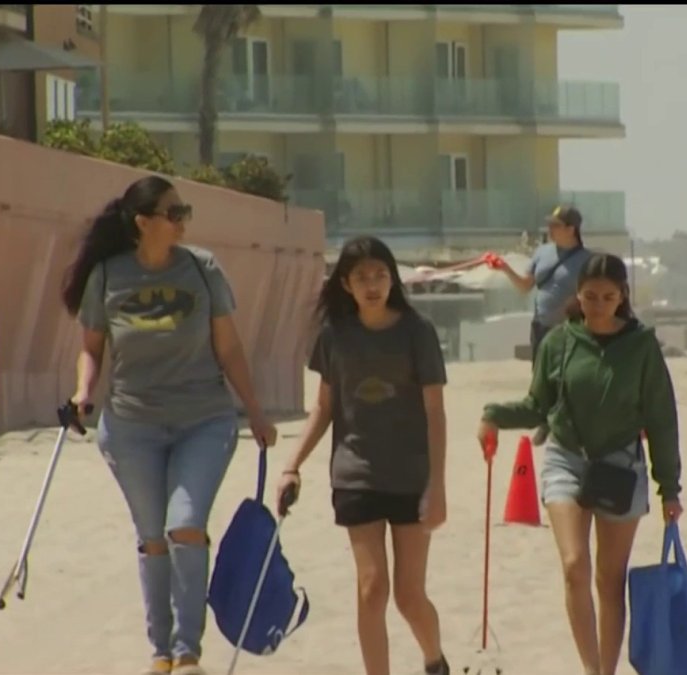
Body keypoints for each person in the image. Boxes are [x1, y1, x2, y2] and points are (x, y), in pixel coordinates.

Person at [60, 175, 278, 675]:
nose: (183, 221)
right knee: (153, 536)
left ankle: (187, 652)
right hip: (131, 425)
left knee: (184, 524)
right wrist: (82, 393)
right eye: (173, 213)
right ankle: (160, 652)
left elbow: (229, 347)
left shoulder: (202, 270)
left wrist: (256, 410)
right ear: (143, 223)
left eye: (185, 212)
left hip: (203, 419)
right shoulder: (109, 276)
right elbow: (91, 349)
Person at [476, 253, 683, 675]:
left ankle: (606, 671)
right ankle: (591, 670)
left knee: (610, 579)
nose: (598, 304)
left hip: (622, 466)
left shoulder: (642, 346)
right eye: (590, 296)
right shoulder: (559, 341)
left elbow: (662, 418)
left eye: (608, 296)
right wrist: (494, 414)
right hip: (566, 459)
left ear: (623, 296)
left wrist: (670, 487)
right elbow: (538, 405)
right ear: (578, 295)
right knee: (574, 566)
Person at [275, 235, 452, 675]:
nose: (372, 284)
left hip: (411, 476)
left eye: (380, 275)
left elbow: (435, 413)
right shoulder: (335, 336)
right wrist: (292, 465)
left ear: (392, 279)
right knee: (372, 588)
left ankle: (435, 660)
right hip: (355, 474)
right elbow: (324, 407)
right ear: (346, 285)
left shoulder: (418, 332)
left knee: (409, 596)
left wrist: (438, 485)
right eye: (361, 277)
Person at [492, 205, 591, 445]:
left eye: (555, 225)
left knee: (565, 376)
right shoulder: (542, 252)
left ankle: (557, 423)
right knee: (539, 375)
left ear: (571, 229)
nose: (549, 229)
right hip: (539, 324)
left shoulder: (587, 261)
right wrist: (505, 268)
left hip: (568, 329)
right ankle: (544, 420)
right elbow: (525, 286)